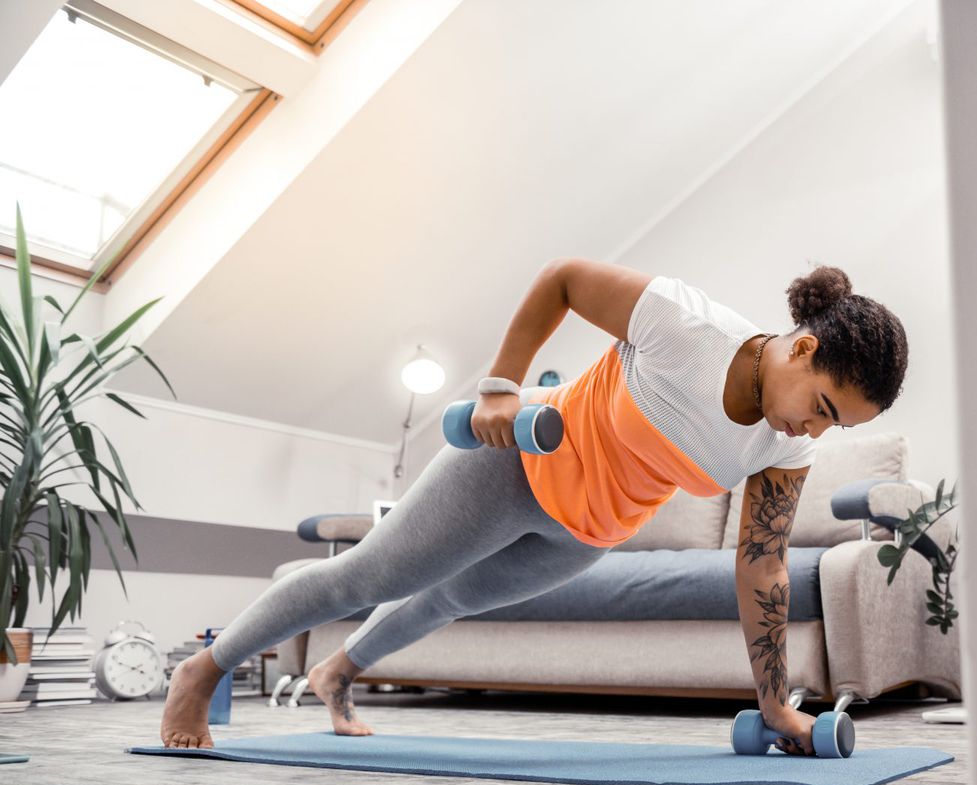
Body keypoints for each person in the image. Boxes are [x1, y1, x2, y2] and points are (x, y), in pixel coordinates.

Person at [159, 259, 908, 755]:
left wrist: (776, 706)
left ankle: (336, 673)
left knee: (448, 601)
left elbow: (764, 567)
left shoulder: (785, 447)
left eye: (833, 427)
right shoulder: (689, 327)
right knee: (369, 578)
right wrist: (500, 386)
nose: (814, 431)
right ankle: (203, 669)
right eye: (822, 409)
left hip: (587, 533)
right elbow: (565, 281)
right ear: (803, 350)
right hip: (516, 463)